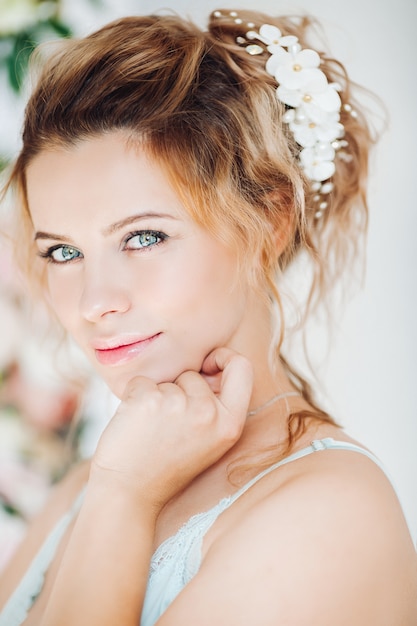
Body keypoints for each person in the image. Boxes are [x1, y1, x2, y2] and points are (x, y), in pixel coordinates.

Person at [0, 7, 416, 625]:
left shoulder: (329, 513)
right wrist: (119, 489)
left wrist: (124, 501)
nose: (94, 302)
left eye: (143, 238)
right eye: (64, 252)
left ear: (270, 221)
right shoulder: (103, 474)